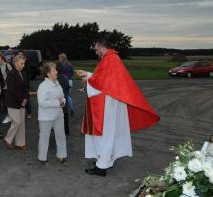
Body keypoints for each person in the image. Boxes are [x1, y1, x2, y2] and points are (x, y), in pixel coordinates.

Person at [75, 38, 160, 177]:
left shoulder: (110, 59)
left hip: (107, 104)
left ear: (102, 47)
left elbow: (101, 82)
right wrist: (88, 74)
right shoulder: (112, 58)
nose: (96, 52)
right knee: (108, 133)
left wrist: (87, 78)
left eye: (96, 49)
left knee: (105, 134)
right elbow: (103, 78)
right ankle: (105, 160)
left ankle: (101, 167)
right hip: (111, 101)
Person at [37, 62, 67, 165]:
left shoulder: (57, 83)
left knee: (61, 135)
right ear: (48, 74)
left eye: (56, 70)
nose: (57, 72)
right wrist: (57, 102)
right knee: (44, 137)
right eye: (54, 70)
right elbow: (41, 102)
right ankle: (42, 158)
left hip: (58, 114)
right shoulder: (43, 86)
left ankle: (61, 155)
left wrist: (63, 101)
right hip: (46, 116)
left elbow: (62, 96)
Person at [4, 55, 29, 150]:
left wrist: (26, 98)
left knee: (22, 123)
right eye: (22, 63)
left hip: (22, 101)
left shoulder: (24, 73)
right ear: (15, 63)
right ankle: (8, 139)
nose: (23, 65)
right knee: (17, 122)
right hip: (13, 102)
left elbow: (26, 88)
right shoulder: (11, 74)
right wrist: (21, 100)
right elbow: (12, 90)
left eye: (24, 63)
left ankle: (20, 143)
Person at [0, 53, 13, 124]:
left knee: (7, 102)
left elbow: (11, 75)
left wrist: (5, 80)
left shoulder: (7, 65)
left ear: (2, 59)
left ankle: (9, 117)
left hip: (6, 87)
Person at [56, 63, 70, 136]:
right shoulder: (65, 78)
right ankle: (66, 130)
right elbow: (67, 88)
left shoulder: (55, 78)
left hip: (59, 99)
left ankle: (59, 131)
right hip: (64, 98)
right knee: (65, 114)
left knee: (59, 115)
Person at [18, 51, 32, 119]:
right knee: (19, 98)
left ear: (23, 56)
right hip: (19, 83)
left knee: (26, 99)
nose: (19, 56)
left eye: (20, 55)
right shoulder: (17, 62)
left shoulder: (26, 62)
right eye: (18, 55)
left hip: (25, 83)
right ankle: (21, 113)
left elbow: (28, 72)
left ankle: (29, 113)